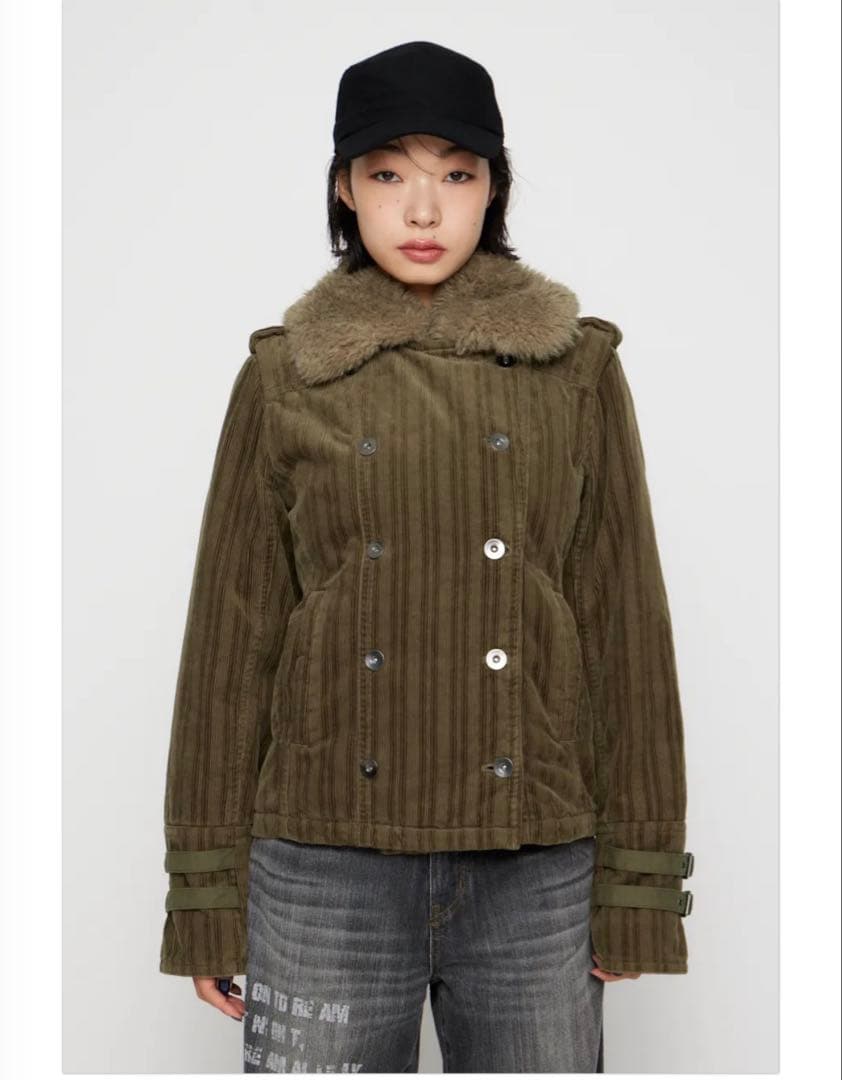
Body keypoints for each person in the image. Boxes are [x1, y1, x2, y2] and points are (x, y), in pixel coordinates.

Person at [158, 40, 694, 1073]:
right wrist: (205, 895)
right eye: (386, 173)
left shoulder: (575, 370)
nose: (421, 209)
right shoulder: (284, 377)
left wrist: (638, 879)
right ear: (343, 189)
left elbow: (623, 625)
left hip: (533, 865)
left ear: (493, 188)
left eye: (455, 174)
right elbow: (228, 649)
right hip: (320, 868)